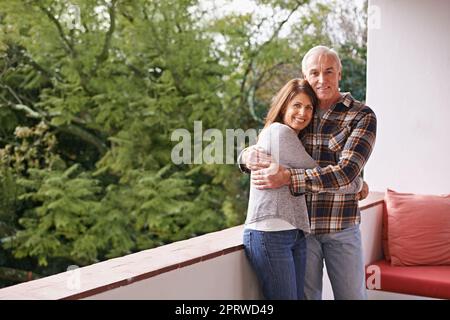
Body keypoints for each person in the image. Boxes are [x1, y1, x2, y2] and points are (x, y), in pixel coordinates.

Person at [240, 46, 377, 300]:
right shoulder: (302, 109)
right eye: (314, 73)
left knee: (352, 297)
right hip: (302, 230)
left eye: (329, 72)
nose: (321, 79)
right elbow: (271, 140)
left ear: (340, 74)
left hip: (340, 225)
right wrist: (245, 156)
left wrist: (291, 177)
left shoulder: (361, 115)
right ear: (305, 75)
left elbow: (346, 172)